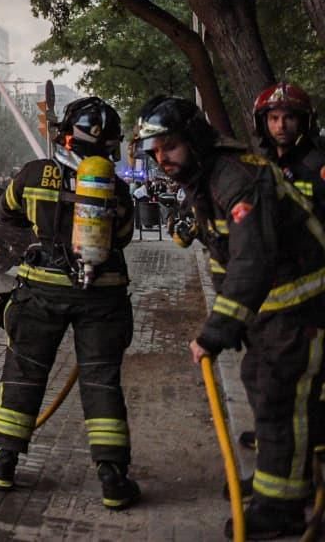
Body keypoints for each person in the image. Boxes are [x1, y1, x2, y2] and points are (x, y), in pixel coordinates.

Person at [136, 96, 325, 538]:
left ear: (195, 140)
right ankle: (271, 483)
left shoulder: (237, 178)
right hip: (270, 310)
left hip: (301, 308)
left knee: (282, 401)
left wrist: (217, 330)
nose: (162, 159)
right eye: (155, 151)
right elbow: (225, 256)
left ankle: (283, 508)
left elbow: (251, 262)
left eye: (171, 147)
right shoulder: (206, 178)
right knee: (262, 387)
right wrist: (236, 319)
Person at [0, 96, 140, 510]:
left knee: (23, 374)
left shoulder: (33, 174)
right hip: (103, 297)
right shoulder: (118, 189)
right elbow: (123, 235)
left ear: (66, 137)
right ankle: (111, 477)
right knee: (101, 381)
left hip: (41, 292)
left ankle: (4, 462)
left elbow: (7, 214)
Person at [253, 82, 325, 223]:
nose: (281, 126)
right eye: (274, 118)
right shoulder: (262, 167)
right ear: (263, 123)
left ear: (304, 121)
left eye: (289, 118)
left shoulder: (319, 162)